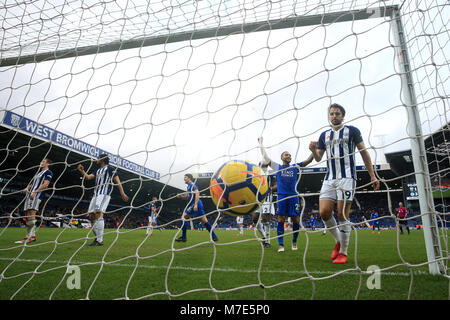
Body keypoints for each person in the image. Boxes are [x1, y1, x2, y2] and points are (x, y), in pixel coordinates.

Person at [309, 103, 380, 264]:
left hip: (347, 177)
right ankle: (339, 241)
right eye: (332, 113)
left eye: (337, 113)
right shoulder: (324, 135)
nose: (334, 116)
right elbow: (319, 158)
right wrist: (313, 150)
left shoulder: (352, 131)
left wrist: (372, 176)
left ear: (343, 115)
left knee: (342, 214)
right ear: (329, 116)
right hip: (329, 178)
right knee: (324, 213)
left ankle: (343, 253)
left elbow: (364, 153)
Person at [259, 137, 314, 253]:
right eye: (286, 155)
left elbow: (308, 161)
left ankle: (294, 241)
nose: (289, 156)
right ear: (282, 157)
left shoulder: (295, 167)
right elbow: (266, 158)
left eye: (289, 155)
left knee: (295, 219)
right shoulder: (278, 167)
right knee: (281, 218)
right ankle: (281, 245)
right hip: (282, 196)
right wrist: (261, 143)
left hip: (293, 196)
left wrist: (314, 150)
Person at [77, 154, 129, 246]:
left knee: (98, 214)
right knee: (91, 216)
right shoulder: (97, 170)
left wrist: (122, 193)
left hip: (104, 194)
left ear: (102, 159)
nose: (97, 159)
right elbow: (88, 177)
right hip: (96, 194)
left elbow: (117, 181)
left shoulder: (110, 169)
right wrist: (82, 171)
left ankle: (99, 240)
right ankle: (97, 238)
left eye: (98, 158)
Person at [15, 158, 53, 244]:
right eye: (41, 161)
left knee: (32, 214)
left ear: (48, 164)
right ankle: (31, 236)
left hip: (36, 195)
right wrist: (27, 188)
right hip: (30, 194)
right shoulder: (38, 173)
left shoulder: (48, 172)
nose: (41, 162)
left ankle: (30, 237)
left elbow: (46, 184)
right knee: (28, 215)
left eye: (43, 161)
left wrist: (35, 192)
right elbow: (32, 184)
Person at [175, 174, 218, 242]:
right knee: (204, 221)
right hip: (196, 204)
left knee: (183, 218)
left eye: (185, 177)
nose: (184, 179)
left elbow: (197, 193)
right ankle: (214, 236)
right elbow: (187, 197)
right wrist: (181, 196)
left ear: (189, 178)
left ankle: (184, 237)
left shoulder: (192, 185)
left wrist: (195, 205)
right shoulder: (189, 186)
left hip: (195, 204)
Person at [252, 162, 276, 248]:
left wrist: (269, 189)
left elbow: (276, 185)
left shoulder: (270, 174)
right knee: (255, 219)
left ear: (267, 166)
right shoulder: (255, 175)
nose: (263, 167)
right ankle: (264, 237)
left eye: (265, 165)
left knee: (265, 219)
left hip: (267, 198)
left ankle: (267, 241)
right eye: (261, 165)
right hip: (257, 199)